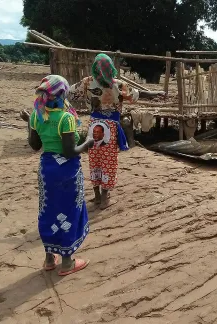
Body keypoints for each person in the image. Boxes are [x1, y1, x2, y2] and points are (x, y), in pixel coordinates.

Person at [27, 74, 94, 276]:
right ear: (62, 93)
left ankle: (49, 258)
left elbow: (34, 145)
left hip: (47, 170)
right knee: (70, 211)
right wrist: (88, 142)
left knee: (48, 211)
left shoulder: (36, 115)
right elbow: (69, 151)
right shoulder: (66, 118)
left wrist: (29, 123)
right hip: (67, 172)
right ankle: (67, 262)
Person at [66, 53, 139, 209]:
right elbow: (134, 97)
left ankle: (97, 196)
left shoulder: (87, 82)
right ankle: (105, 197)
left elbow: (70, 93)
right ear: (111, 67)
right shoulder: (118, 84)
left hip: (94, 125)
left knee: (95, 159)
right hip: (111, 127)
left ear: (95, 67)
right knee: (108, 161)